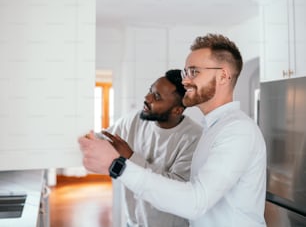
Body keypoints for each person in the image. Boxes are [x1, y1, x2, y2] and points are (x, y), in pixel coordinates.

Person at [79, 33, 267, 227]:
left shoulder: (237, 130)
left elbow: (196, 202)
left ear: (223, 76)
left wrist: (118, 166)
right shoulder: (212, 128)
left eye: (194, 72)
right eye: (186, 73)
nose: (185, 81)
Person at [91, 69, 203, 227]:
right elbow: (104, 139)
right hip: (132, 222)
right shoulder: (135, 119)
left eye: (157, 97)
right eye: (151, 90)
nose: (147, 98)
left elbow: (177, 189)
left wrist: (130, 157)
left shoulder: (194, 138)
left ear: (177, 110)